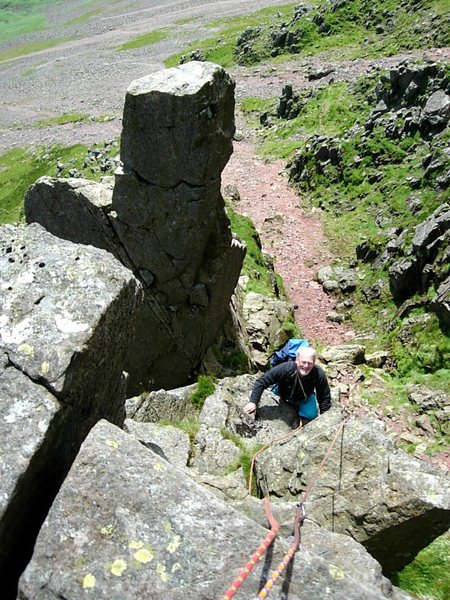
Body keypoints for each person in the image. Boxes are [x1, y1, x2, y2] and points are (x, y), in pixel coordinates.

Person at [242, 346, 331, 426]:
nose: (306, 366)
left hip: (304, 397)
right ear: (297, 360)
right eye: (303, 362)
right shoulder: (286, 369)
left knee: (311, 415)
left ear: (314, 363)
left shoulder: (318, 374)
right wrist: (253, 402)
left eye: (310, 363)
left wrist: (325, 419)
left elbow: (324, 397)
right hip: (281, 394)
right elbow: (262, 381)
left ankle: (301, 420)